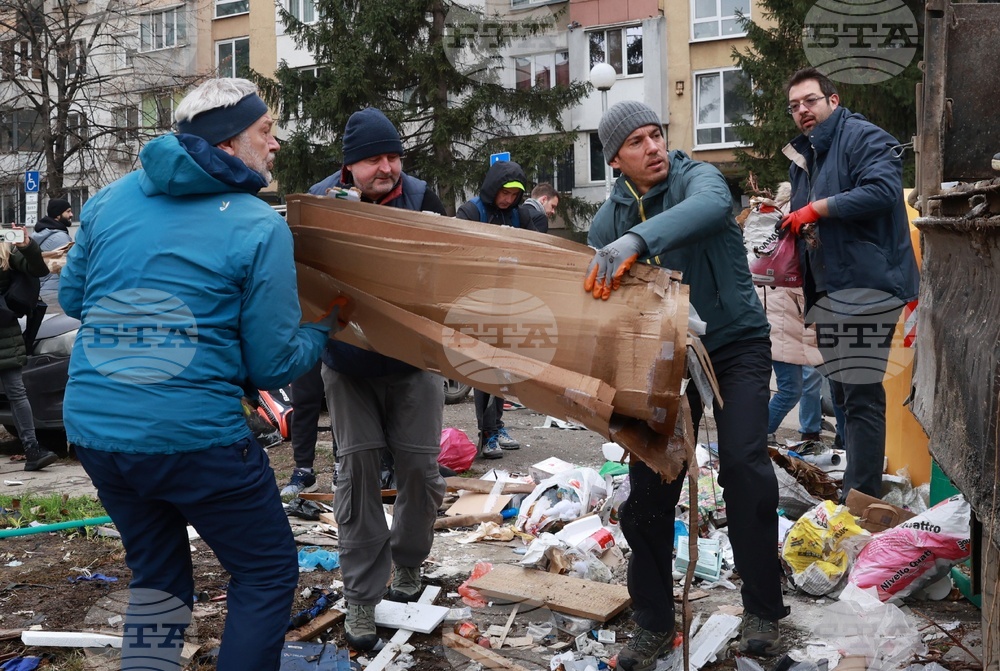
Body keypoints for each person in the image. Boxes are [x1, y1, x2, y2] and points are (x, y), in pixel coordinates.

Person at [59, 78, 339, 671]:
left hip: (97, 430)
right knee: (265, 571)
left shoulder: (108, 200)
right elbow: (271, 365)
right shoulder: (258, 224)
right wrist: (324, 327)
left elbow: (75, 298)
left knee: (157, 577)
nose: (276, 144)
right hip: (195, 437)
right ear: (228, 143)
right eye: (266, 131)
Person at [585, 100, 787, 669]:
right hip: (665, 357)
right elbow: (603, 303)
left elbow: (710, 207)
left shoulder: (698, 178)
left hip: (736, 344)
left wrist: (637, 241)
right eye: (637, 142)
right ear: (615, 160)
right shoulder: (606, 223)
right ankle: (653, 622)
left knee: (744, 466)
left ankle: (763, 611)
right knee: (649, 485)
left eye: (656, 135)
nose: (653, 148)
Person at [308, 107, 447, 652]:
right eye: (374, 160)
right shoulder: (320, 201)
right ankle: (362, 594)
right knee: (358, 468)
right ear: (349, 166)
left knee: (419, 467)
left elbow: (447, 270)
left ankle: (408, 561)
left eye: (393, 157)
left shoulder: (422, 198)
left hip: (413, 362)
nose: (387, 168)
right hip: (349, 365)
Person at [781, 68, 919, 499]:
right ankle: (854, 489)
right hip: (828, 288)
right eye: (794, 106)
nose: (802, 110)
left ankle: (862, 501)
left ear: (833, 100)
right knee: (842, 394)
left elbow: (883, 190)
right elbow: (809, 222)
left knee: (860, 396)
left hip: (867, 286)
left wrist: (815, 209)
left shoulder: (863, 137)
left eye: (810, 100)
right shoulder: (806, 156)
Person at [455, 160, 540, 458]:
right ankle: (487, 433)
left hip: (510, 302)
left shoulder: (520, 215)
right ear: (493, 189)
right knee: (484, 369)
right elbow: (458, 254)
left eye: (514, 195)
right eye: (504, 193)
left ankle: (497, 425)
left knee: (502, 369)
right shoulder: (471, 212)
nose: (508, 199)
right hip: (478, 303)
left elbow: (536, 250)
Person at [0, 230, 57, 471]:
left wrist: (27, 246)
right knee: (17, 393)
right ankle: (33, 449)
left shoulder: (5, 250)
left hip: (4, 334)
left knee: (17, 392)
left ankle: (32, 449)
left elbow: (39, 270)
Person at [280, 360, 324, 497]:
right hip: (305, 349)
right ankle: (303, 471)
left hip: (341, 349)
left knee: (340, 403)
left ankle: (342, 468)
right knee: (303, 401)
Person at [31, 198, 73, 304]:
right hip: (55, 291)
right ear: (58, 215)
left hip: (41, 289)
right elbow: (68, 268)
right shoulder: (61, 238)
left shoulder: (40, 233)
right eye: (68, 211)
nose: (71, 214)